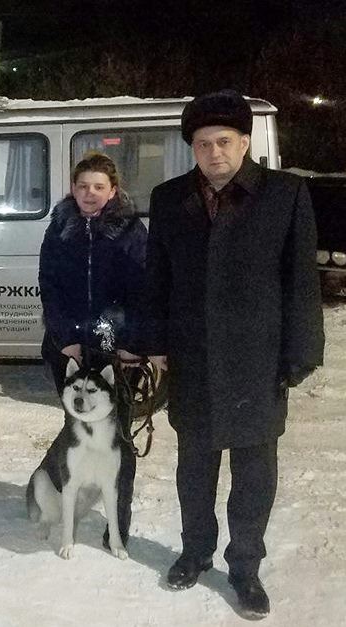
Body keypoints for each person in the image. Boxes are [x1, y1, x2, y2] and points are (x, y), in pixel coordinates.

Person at [144, 90, 324, 620]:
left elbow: (301, 279)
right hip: (193, 359)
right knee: (194, 469)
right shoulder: (169, 198)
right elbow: (157, 278)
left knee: (254, 475)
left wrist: (300, 353)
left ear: (245, 142)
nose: (214, 152)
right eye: (203, 144)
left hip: (257, 361)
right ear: (192, 149)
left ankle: (245, 569)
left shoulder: (284, 194)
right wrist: (154, 344)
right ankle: (195, 552)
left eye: (224, 141)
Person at [38, 152, 147, 549]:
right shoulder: (59, 227)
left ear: (113, 190)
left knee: (118, 436)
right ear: (73, 188)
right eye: (83, 185)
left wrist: (132, 343)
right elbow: (48, 285)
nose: (90, 193)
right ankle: (64, 498)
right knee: (76, 425)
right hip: (66, 345)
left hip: (113, 348)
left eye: (99, 186)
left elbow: (143, 290)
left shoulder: (130, 230)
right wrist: (64, 336)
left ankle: (118, 524)